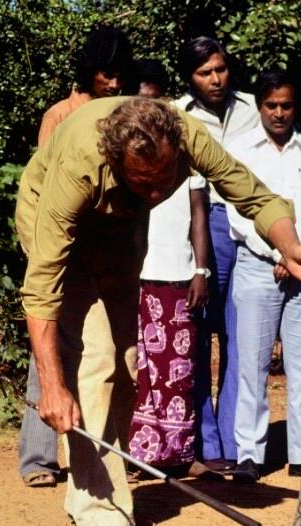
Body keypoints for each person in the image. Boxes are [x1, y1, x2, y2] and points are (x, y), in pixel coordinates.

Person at [16, 96, 301, 526]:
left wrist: (290, 248)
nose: (159, 193)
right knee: (94, 360)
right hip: (54, 220)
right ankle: (99, 514)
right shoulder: (78, 165)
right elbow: (42, 288)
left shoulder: (187, 136)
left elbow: (254, 196)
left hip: (122, 227)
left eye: (166, 179)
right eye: (146, 182)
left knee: (126, 364)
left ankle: (109, 478)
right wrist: (53, 386)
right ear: (116, 160)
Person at [19, 24, 135, 488]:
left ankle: (103, 460)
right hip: (61, 248)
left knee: (105, 359)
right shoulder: (61, 116)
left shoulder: (125, 113)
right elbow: (54, 193)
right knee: (48, 349)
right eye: (106, 73)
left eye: (119, 73)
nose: (114, 82)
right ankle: (38, 459)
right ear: (89, 71)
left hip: (105, 256)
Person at [223, 71, 301, 484]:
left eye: (286, 105)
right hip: (258, 265)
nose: (279, 113)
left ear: (295, 107)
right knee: (251, 363)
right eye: (271, 105)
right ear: (260, 107)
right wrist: (280, 252)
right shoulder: (241, 151)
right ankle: (249, 455)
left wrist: (296, 253)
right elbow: (239, 214)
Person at [175, 37, 261, 473]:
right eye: (204, 72)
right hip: (202, 223)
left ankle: (234, 440)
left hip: (248, 224)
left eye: (220, 69)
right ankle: (204, 441)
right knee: (198, 335)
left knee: (239, 337)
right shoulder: (178, 114)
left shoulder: (253, 108)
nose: (215, 79)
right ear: (190, 78)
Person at [125, 65, 210, 475]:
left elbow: (199, 217)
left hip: (178, 275)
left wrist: (201, 270)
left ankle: (178, 453)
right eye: (141, 100)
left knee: (178, 371)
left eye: (156, 100)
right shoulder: (123, 155)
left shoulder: (184, 154)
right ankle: (138, 453)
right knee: (139, 368)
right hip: (137, 277)